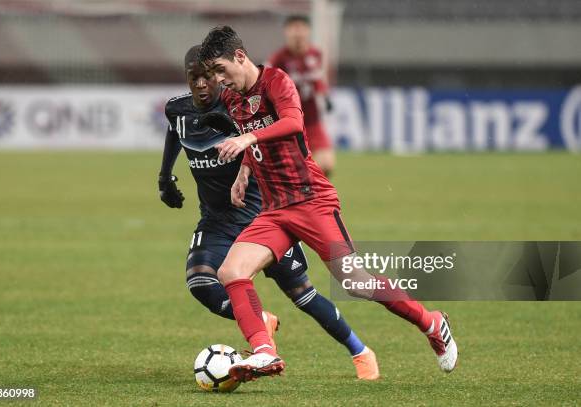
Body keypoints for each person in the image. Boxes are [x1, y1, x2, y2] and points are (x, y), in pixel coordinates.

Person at [198, 26, 458, 382]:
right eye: (212, 74)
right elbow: (256, 145)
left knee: (355, 281)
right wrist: (245, 171)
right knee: (231, 272)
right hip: (274, 209)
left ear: (240, 57)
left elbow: (293, 122)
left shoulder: (276, 81)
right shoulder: (232, 99)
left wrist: (248, 138)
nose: (219, 80)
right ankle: (264, 352)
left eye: (221, 70)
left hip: (311, 201)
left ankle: (431, 322)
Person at [158, 45, 379, 380]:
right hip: (216, 219)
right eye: (195, 78)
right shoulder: (177, 109)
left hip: (263, 216)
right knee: (201, 281)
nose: (203, 84)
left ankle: (359, 350)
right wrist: (165, 176)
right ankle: (262, 329)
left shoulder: (239, 106)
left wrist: (245, 152)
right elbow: (176, 132)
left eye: (209, 76)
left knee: (303, 295)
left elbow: (280, 130)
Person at [267, 15, 335, 177]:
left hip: (313, 120)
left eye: (302, 29)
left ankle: (312, 195)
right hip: (291, 122)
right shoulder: (278, 59)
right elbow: (267, 85)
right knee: (298, 170)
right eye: (294, 29)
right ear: (287, 32)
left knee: (326, 164)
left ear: (308, 32)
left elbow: (317, 79)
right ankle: (307, 196)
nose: (298, 34)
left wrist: (325, 95)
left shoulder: (316, 54)